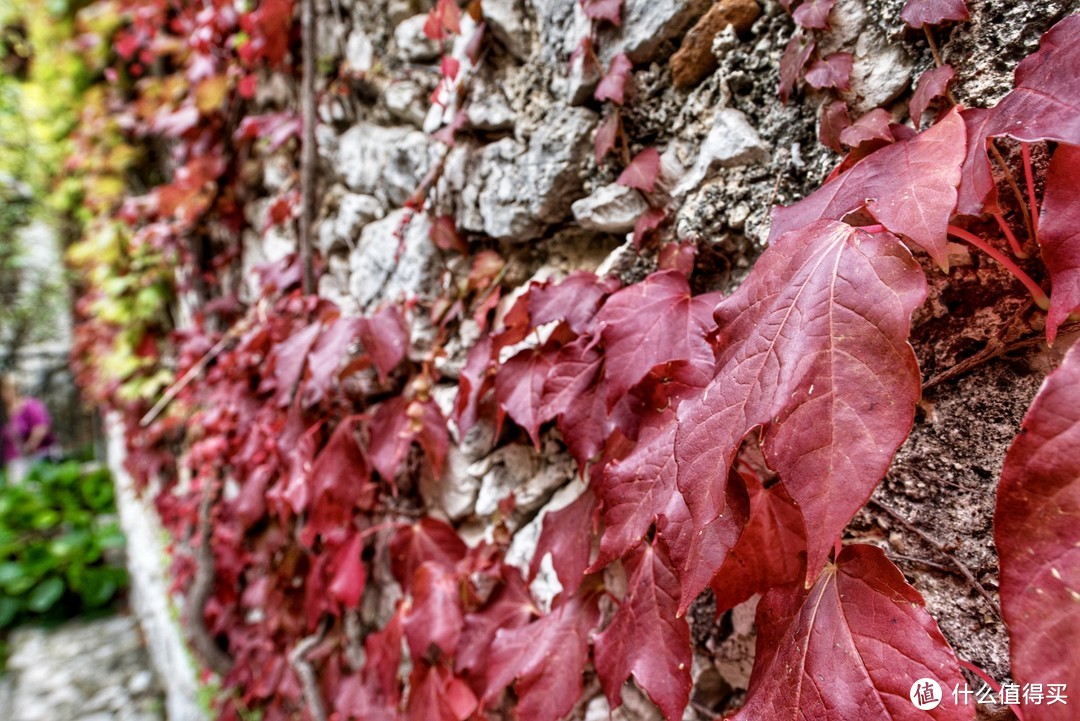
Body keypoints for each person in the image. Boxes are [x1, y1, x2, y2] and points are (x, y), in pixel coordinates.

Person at [1, 374, 56, 483]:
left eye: (5, 390)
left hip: (37, 455)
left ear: (14, 389)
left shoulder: (29, 405)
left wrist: (31, 444)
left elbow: (41, 427)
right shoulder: (3, 413)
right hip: (15, 460)